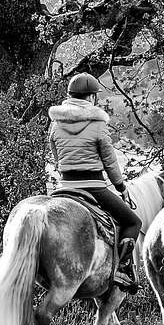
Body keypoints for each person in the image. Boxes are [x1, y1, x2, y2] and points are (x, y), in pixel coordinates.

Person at [48, 73, 142, 293]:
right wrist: (121, 187)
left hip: (65, 187)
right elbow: (110, 162)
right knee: (133, 222)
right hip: (93, 186)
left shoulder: (55, 124)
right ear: (90, 98)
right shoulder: (98, 125)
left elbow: (56, 158)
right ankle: (123, 269)